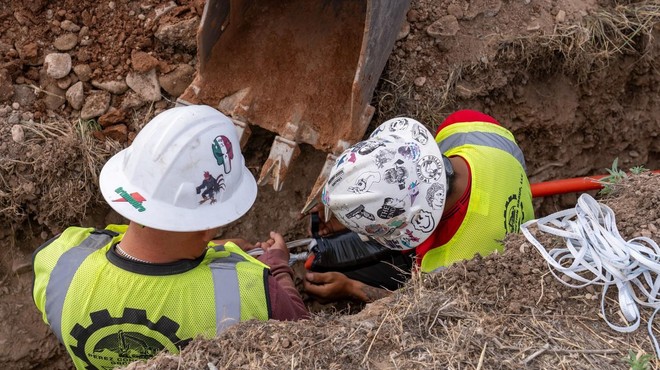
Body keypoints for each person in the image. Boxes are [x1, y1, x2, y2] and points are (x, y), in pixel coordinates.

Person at [32, 105, 309, 370]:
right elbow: (304, 338)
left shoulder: (60, 261)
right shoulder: (252, 292)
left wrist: (214, 249)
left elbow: (123, 245)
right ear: (209, 225)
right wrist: (277, 266)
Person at [304, 110, 534, 302]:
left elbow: (410, 306)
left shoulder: (445, 267)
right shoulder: (467, 127)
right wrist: (352, 215)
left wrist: (350, 288)